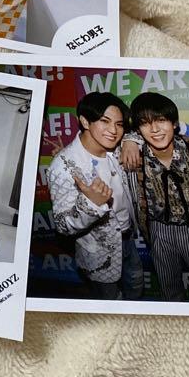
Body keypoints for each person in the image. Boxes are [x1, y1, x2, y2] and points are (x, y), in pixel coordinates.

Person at [46, 91, 143, 299]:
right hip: (99, 254)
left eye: (119, 124)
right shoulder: (62, 166)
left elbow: (144, 130)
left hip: (128, 238)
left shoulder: (117, 148)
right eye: (104, 121)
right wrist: (91, 205)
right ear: (85, 121)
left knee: (136, 286)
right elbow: (62, 225)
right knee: (110, 302)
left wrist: (131, 140)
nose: (113, 131)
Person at [119, 92, 189, 301]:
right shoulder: (133, 156)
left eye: (161, 120)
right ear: (138, 129)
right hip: (158, 229)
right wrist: (128, 140)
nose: (155, 129)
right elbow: (103, 148)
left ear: (174, 123)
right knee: (170, 291)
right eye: (145, 123)